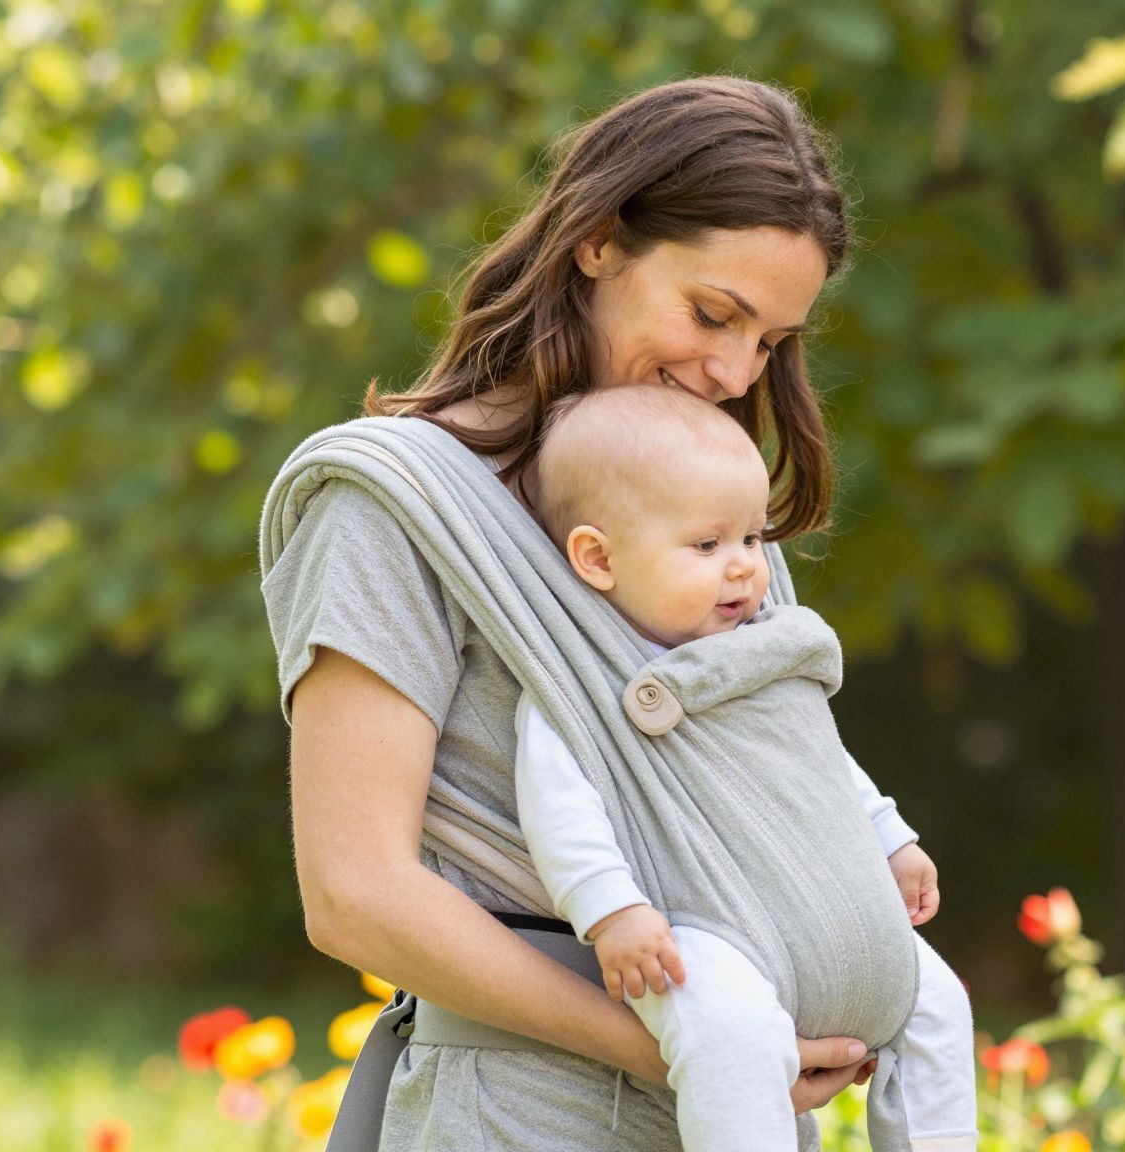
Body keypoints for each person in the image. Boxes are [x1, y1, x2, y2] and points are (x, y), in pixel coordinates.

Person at [263, 76, 890, 1150]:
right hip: (522, 1113)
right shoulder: (394, 505)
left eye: (772, 343)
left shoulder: (716, 521)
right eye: (712, 314)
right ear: (597, 240)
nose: (733, 373)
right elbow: (354, 892)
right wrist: (676, 1047)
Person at [515, 384, 976, 1151]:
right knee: (726, 1030)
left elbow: (817, 762)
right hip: (701, 922)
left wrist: (888, 839)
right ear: (597, 558)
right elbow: (559, 808)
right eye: (706, 546)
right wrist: (611, 911)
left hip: (816, 905)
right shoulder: (578, 683)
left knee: (934, 1004)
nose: (743, 570)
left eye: (753, 540)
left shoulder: (764, 648)